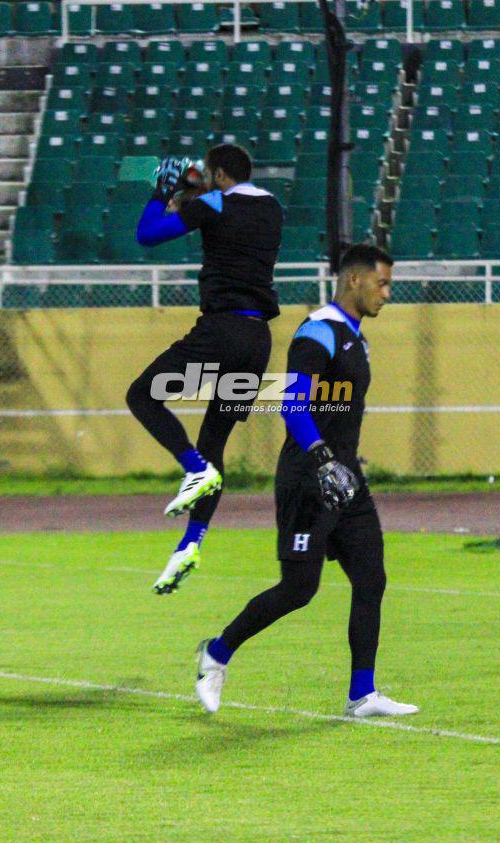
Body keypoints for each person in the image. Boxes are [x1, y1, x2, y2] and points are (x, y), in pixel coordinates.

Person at [193, 244, 417, 718]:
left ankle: (363, 694)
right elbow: (293, 404)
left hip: (347, 478)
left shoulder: (356, 336)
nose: (388, 293)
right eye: (382, 283)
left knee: (371, 578)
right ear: (353, 280)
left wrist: (343, 463)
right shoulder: (318, 332)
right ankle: (216, 653)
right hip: (308, 479)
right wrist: (321, 458)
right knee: (298, 589)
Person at [130, 143, 283, 595]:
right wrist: (195, 191)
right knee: (214, 441)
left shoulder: (216, 202)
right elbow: (228, 213)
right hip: (257, 344)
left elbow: (148, 234)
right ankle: (191, 542)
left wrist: (164, 191)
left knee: (143, 394)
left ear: (218, 174)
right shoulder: (273, 207)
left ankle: (192, 468)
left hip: (221, 331)